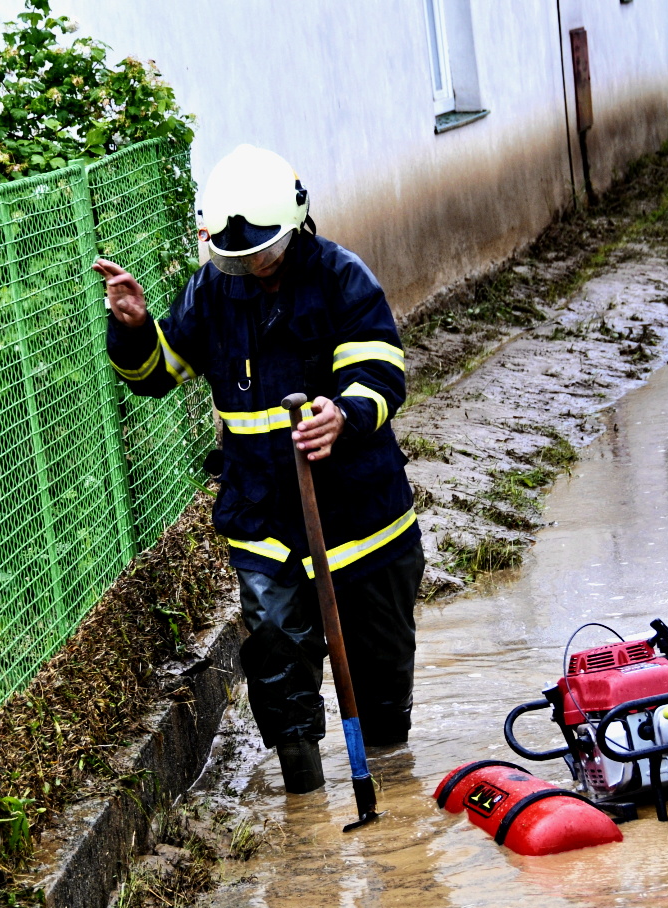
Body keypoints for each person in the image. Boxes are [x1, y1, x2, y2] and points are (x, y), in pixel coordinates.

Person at [95, 144, 423, 793]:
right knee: (276, 646)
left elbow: (382, 369)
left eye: (263, 253)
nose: (253, 267)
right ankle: (305, 795)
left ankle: (394, 775)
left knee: (381, 681)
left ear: (295, 227)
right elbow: (158, 372)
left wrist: (346, 413)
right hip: (262, 511)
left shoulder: (341, 278)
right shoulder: (212, 291)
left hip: (360, 513)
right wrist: (134, 329)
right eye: (239, 256)